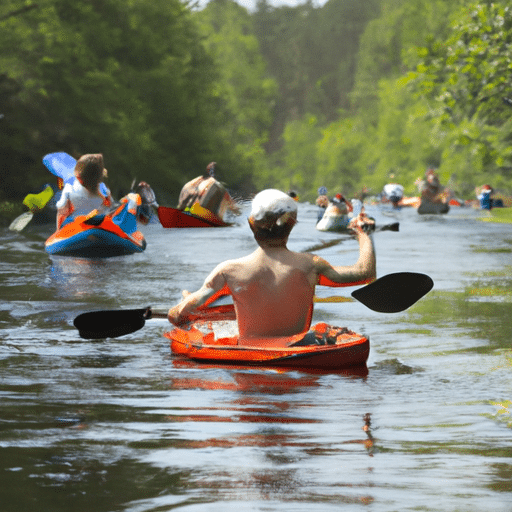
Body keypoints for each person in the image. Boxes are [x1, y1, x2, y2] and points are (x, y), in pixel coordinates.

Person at [168, 189, 376, 341]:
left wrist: (184, 305)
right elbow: (365, 273)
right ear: (292, 223)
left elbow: (177, 316)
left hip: (249, 360)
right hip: (298, 352)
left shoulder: (228, 271)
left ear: (251, 224)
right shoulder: (311, 265)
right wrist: (364, 234)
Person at [55, 153, 113, 229]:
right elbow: (111, 209)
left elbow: (62, 212)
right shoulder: (104, 189)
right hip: (98, 224)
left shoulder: (70, 188)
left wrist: (58, 232)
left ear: (78, 176)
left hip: (76, 224)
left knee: (63, 212)